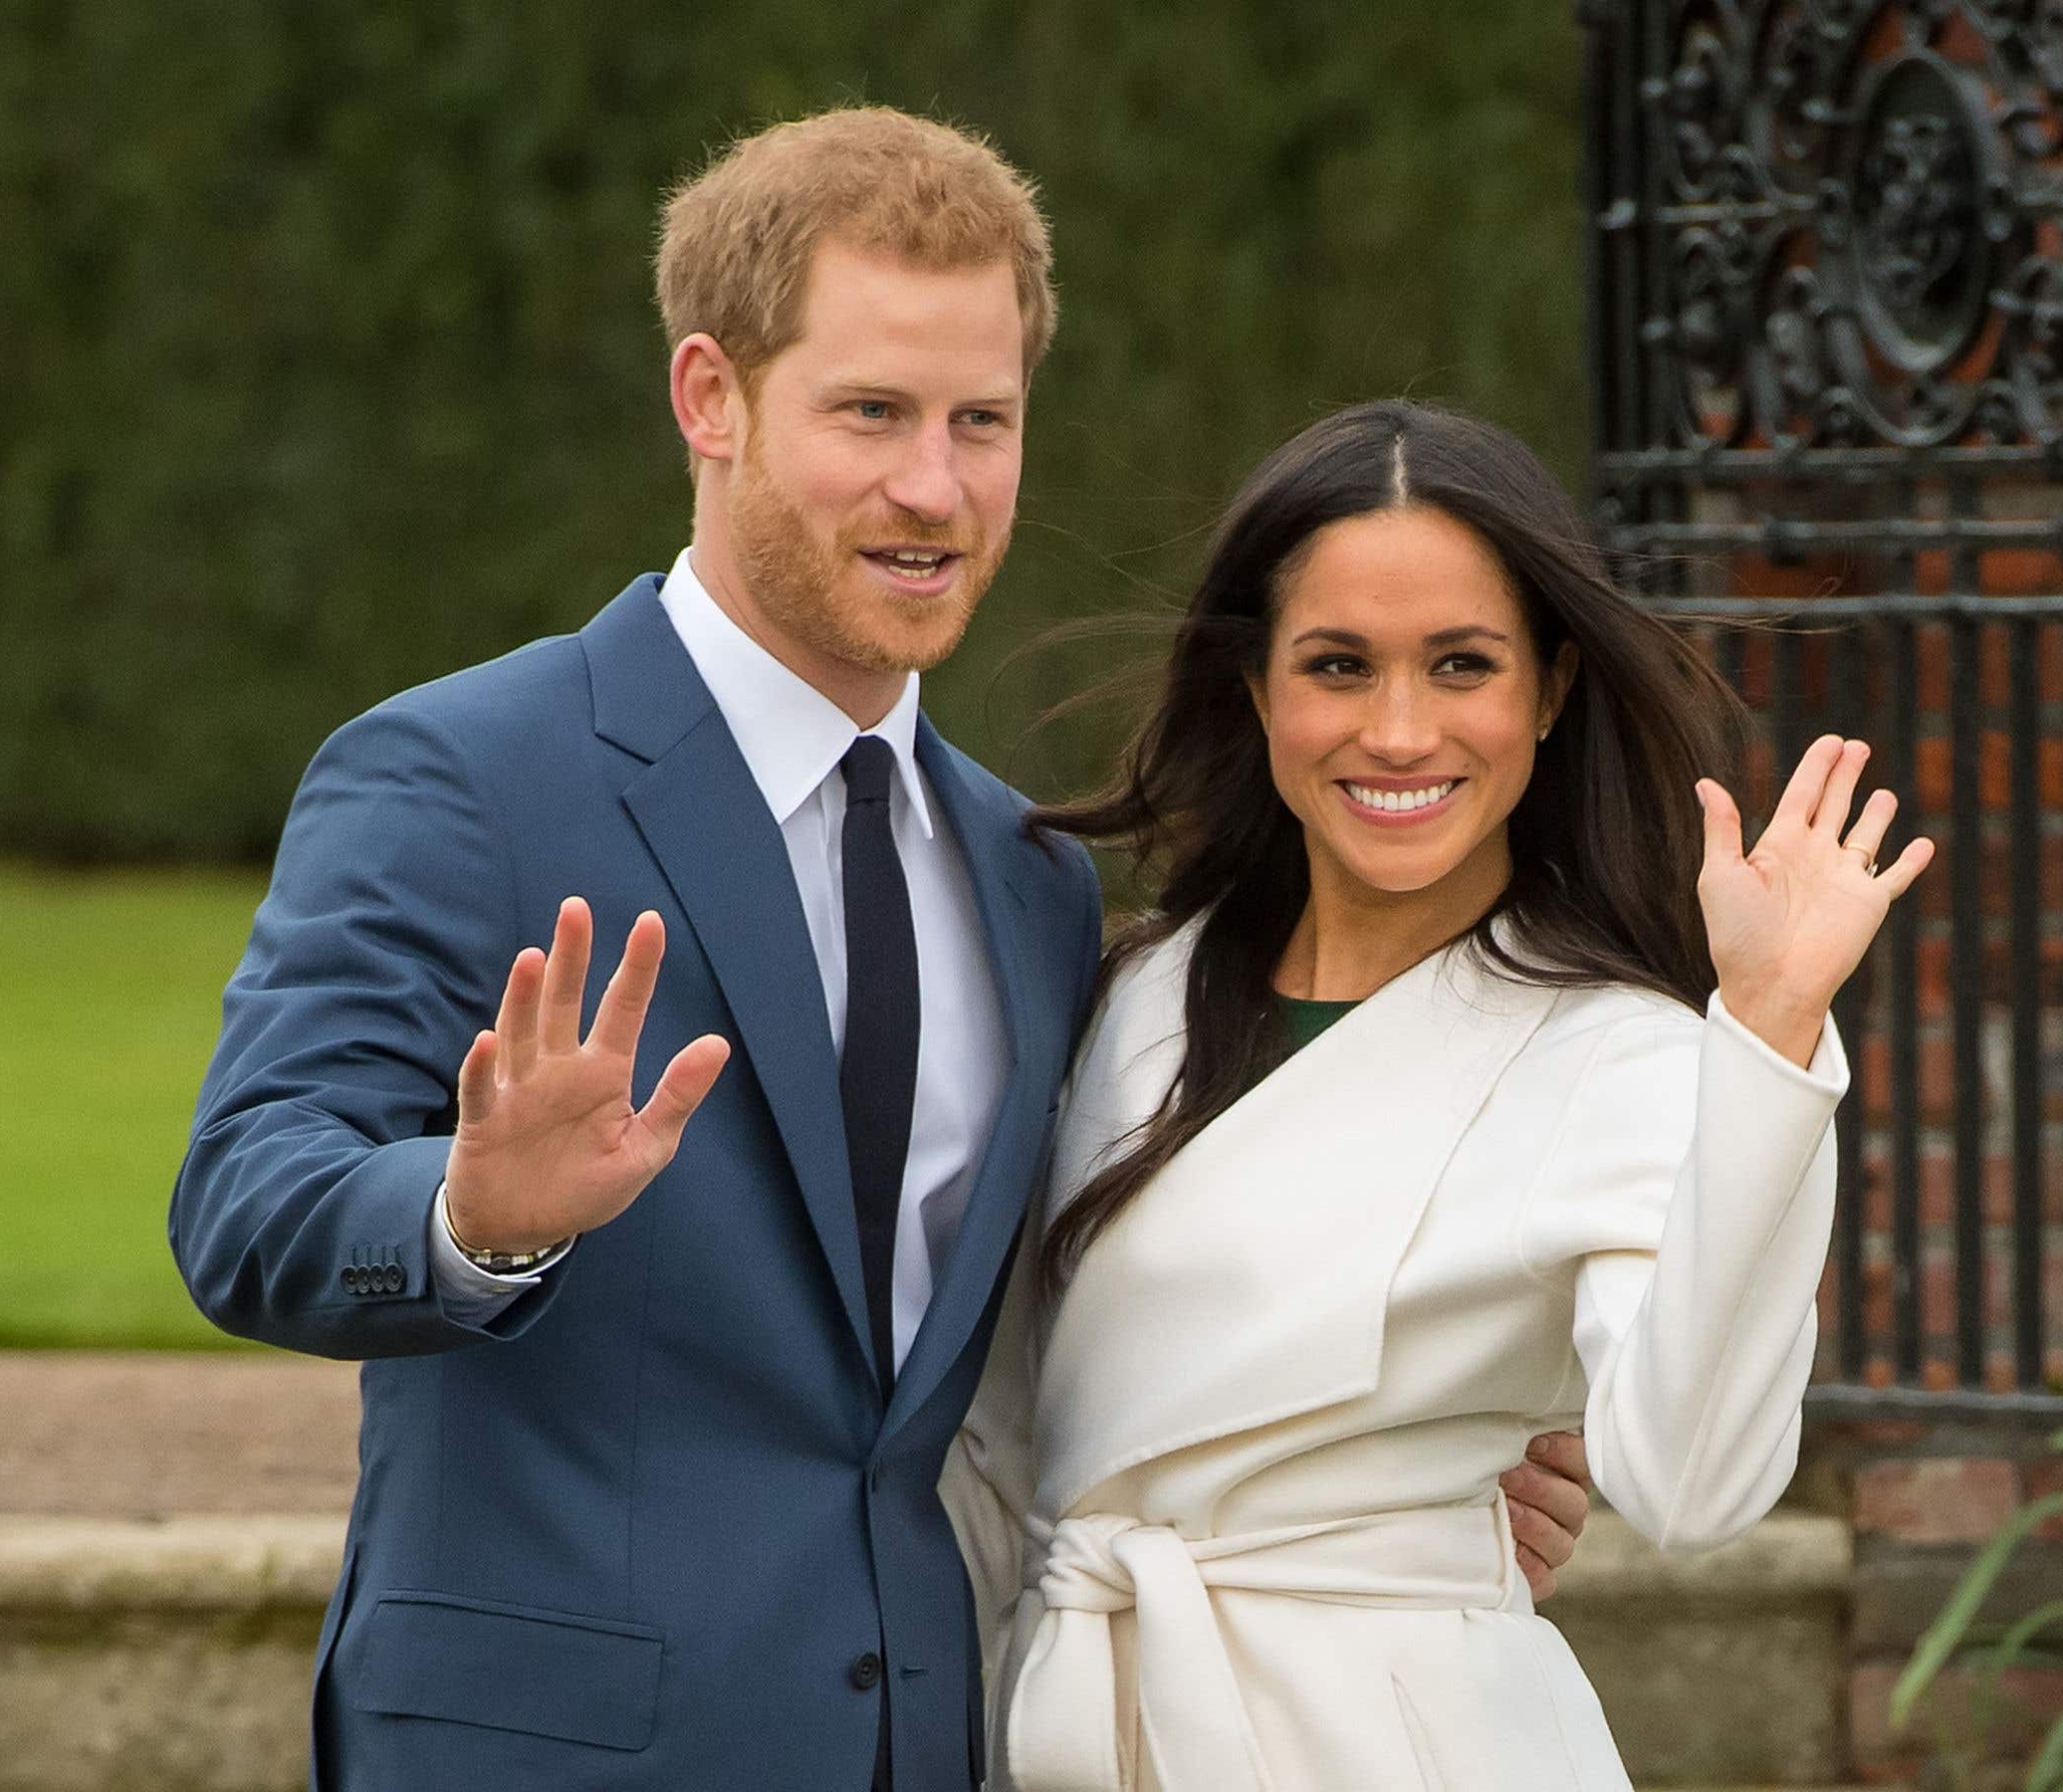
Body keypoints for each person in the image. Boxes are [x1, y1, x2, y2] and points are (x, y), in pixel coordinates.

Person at [169, 115, 1588, 1790]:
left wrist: (1363, 1463)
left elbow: (1053, 1342)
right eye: (872, 415)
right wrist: (470, 1218)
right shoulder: (459, 775)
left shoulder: (1029, 876)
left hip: (930, 1738)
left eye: (982, 421)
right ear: (711, 397)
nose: (937, 488)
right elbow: (244, 1201)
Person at [943, 399, 1935, 1791]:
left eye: (1461, 664)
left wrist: (1766, 1033)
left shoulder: (1618, 1055)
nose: (1398, 732)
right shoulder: (1121, 995)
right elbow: (994, 1425)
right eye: (1338, 665)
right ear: (1256, 688)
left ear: (1550, 688)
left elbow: (1695, 1485)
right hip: (1058, 1719)